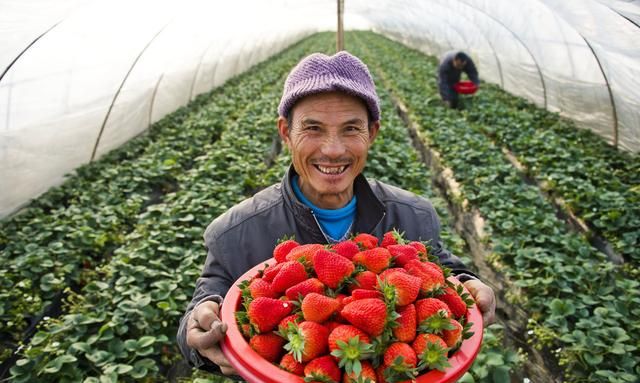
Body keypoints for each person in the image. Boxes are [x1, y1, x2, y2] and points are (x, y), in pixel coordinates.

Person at [177, 51, 496, 376]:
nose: (332, 149)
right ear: (285, 132)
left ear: (372, 133)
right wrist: (200, 332)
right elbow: (205, 304)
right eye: (313, 128)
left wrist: (470, 284)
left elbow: (442, 268)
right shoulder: (236, 232)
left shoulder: (414, 216)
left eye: (350, 129)